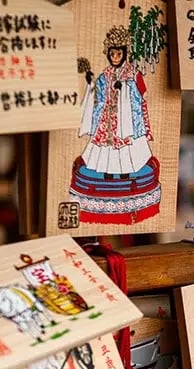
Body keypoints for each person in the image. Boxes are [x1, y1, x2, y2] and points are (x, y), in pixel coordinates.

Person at [69, 24, 161, 225]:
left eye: (120, 53)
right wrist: (91, 84)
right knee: (105, 154)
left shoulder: (133, 74)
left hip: (127, 123)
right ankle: (109, 180)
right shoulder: (105, 76)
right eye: (113, 53)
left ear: (125, 53)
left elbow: (143, 94)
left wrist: (127, 89)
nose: (116, 57)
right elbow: (98, 98)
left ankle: (127, 178)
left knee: (130, 155)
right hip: (108, 123)